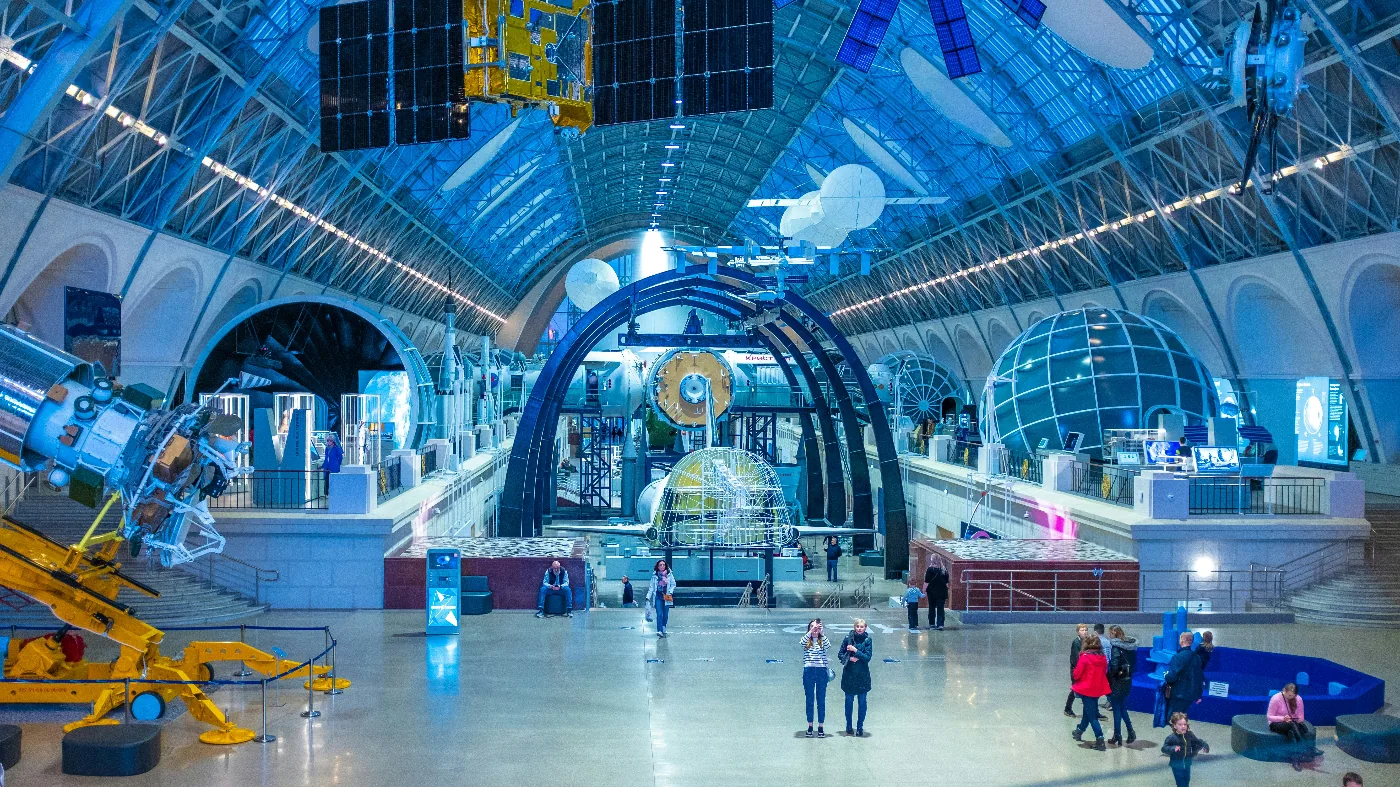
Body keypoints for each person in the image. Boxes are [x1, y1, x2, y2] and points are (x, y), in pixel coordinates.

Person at [1071, 633, 1111, 750]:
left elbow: (1077, 674)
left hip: (1087, 689)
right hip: (1098, 688)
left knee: (1092, 716)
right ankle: (1079, 731)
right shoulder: (1103, 657)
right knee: (1088, 711)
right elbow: (1104, 671)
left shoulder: (1084, 657)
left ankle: (1100, 739)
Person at [1268, 682, 1320, 771]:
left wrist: (1294, 719)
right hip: (1276, 723)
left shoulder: (1298, 699)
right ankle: (1308, 747)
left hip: (1292, 723)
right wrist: (1283, 718)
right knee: (1292, 726)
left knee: (1292, 731)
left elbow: (1301, 718)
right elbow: (1269, 717)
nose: (1290, 698)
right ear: (1284, 690)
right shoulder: (1276, 699)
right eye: (1288, 695)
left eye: (1292, 696)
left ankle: (1295, 760)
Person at [839, 617, 873, 736]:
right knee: (849, 701)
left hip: (862, 676)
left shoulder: (868, 640)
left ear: (865, 628)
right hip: (849, 675)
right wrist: (850, 658)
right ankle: (849, 725)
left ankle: (860, 726)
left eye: (861, 627)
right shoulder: (847, 639)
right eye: (857, 627)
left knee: (862, 702)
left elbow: (868, 657)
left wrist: (856, 651)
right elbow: (840, 654)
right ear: (855, 627)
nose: (859, 629)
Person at [1105, 625, 1138, 746]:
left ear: (1113, 634)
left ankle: (1118, 735)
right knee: (1122, 707)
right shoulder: (1131, 647)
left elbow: (1114, 666)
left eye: (1110, 633)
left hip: (1116, 682)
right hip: (1127, 680)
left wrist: (1109, 678)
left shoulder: (1115, 648)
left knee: (1116, 710)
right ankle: (1130, 731)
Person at [800, 619, 831, 737]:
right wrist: (810, 632)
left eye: (816, 627)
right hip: (808, 671)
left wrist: (821, 633)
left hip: (821, 671)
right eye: (812, 627)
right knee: (809, 699)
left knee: (821, 699)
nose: (814, 629)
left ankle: (821, 726)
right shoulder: (807, 640)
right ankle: (810, 725)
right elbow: (801, 643)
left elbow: (828, 646)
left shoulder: (822, 640)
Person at [1161, 711, 1208, 787]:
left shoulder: (1189, 734)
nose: (1183, 726)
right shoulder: (1171, 738)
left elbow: (1197, 741)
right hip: (1176, 765)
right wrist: (1173, 748)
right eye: (1180, 724)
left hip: (1187, 763)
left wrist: (1205, 745)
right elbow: (1164, 748)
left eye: (1185, 724)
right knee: (1181, 783)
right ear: (1175, 726)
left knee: (1187, 780)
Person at [1163, 632, 1204, 717]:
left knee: (1174, 718)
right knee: (1181, 717)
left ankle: (1179, 730)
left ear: (1182, 640)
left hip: (1179, 694)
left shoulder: (1178, 657)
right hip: (1191, 694)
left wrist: (1166, 675)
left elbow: (1172, 677)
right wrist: (1199, 695)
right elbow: (1199, 677)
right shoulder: (1197, 657)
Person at [1064, 623, 1089, 717]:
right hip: (1077, 670)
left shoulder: (1087, 641)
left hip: (1084, 669)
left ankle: (1092, 710)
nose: (1084, 632)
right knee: (1075, 689)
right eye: (1082, 630)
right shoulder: (1076, 642)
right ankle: (1067, 708)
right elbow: (1076, 658)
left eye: (1085, 630)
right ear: (1078, 632)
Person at [647, 560, 676, 638]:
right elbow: (651, 587)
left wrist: (670, 592)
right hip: (658, 596)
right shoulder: (654, 576)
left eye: (663, 565)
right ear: (658, 566)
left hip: (666, 596)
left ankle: (663, 626)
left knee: (665, 615)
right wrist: (648, 597)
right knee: (659, 614)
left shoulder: (669, 575)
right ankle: (659, 630)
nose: (662, 566)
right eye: (660, 565)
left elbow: (673, 584)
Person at [923, 559, 949, 630]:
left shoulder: (930, 570)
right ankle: (940, 625)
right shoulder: (944, 570)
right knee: (941, 608)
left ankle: (932, 624)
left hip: (932, 592)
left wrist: (924, 590)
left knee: (931, 608)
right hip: (942, 592)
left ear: (932, 561)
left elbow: (926, 582)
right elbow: (947, 583)